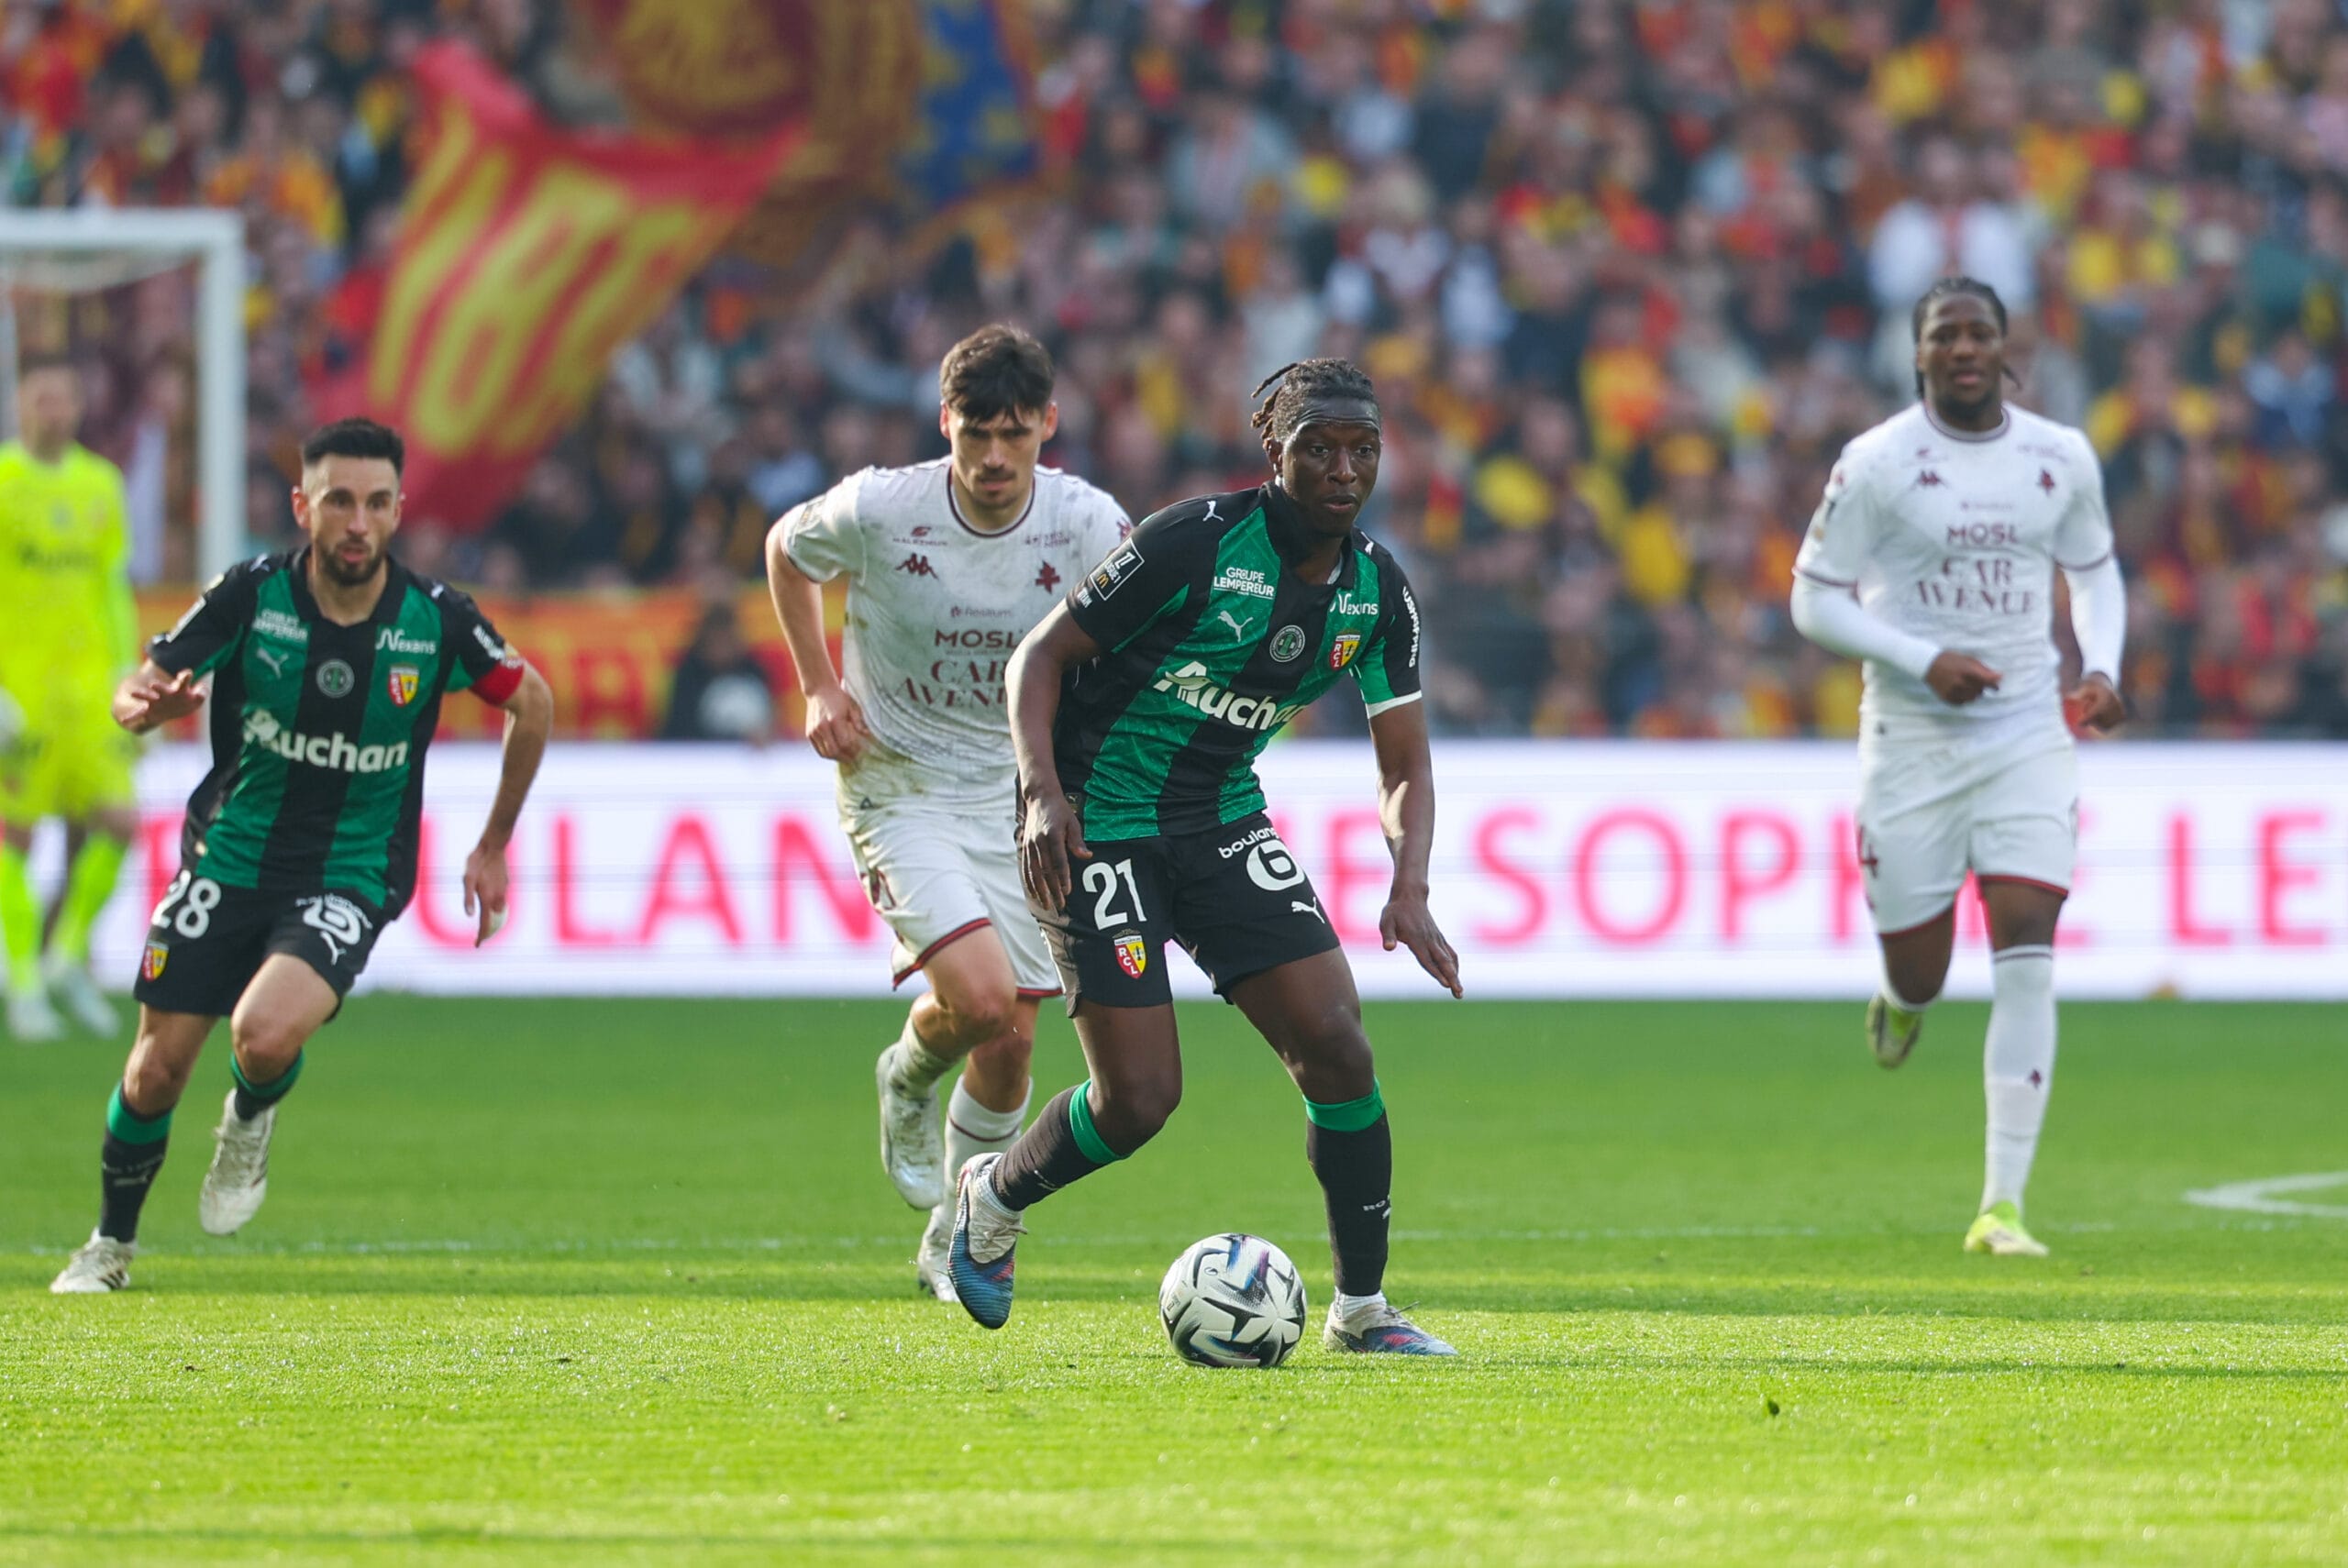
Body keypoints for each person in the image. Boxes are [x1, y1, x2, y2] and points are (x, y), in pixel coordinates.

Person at [950, 358, 1464, 1355]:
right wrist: (1042, 799)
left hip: (1220, 819)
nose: (1343, 468)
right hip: (1098, 819)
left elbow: (1402, 760)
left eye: (1363, 449)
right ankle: (995, 1192)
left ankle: (1362, 1312)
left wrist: (1410, 885)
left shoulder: (1376, 591)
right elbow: (1038, 660)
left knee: (1338, 1044)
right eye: (1319, 446)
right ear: (1275, 450)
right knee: (1138, 1102)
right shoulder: (1195, 542)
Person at [49, 418, 554, 1294]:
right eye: (339, 502)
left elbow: (533, 700)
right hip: (229, 854)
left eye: (377, 503)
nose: (358, 522)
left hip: (353, 868)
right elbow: (140, 678)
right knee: (156, 1070)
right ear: (304, 507)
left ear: (398, 512)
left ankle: (249, 1115)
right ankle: (109, 1246)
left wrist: (494, 843)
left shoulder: (434, 621)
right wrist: (144, 708)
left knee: (264, 1031)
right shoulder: (250, 594)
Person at [765, 326, 1130, 1302]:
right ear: (946, 426)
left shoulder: (1089, 523)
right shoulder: (883, 508)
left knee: (1012, 1039)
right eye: (977, 434)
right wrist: (816, 686)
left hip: (1020, 797)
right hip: (903, 781)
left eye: (1016, 434)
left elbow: (1137, 634)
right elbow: (784, 552)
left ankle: (950, 1236)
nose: (996, 458)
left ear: (1049, 426)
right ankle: (909, 1074)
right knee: (975, 1003)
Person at [1789, 278, 2125, 1259]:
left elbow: (2095, 573)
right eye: (1947, 334)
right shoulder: (1880, 463)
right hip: (1911, 742)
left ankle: (2001, 1206)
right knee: (1924, 972)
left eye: (1981, 331)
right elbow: (1813, 599)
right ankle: (1899, 999)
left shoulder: (2056, 459)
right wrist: (1917, 658)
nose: (1965, 346)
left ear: (2004, 346)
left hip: (2026, 731)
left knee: (2026, 943)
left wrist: (2100, 668)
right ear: (1920, 353)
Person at [0, 355, 142, 1042]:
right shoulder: (1, 480)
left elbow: (112, 587)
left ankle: (63, 961)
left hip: (90, 690)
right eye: (41, 398)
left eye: (64, 399)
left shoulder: (101, 484)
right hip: (19, 691)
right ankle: (23, 984)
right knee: (15, 836)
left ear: (79, 408)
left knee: (120, 822)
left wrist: (130, 672)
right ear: (21, 404)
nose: (53, 410)